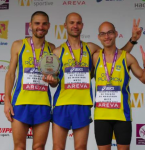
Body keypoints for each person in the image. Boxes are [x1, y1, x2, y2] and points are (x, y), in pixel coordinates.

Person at [43, 12, 141, 150]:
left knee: (81, 147)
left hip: (83, 105)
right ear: (65, 25)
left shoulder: (91, 48)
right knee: (58, 147)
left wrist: (132, 41)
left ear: (82, 25)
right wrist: (50, 80)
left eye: (78, 23)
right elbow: (54, 82)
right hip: (61, 104)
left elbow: (115, 57)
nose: (75, 26)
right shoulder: (58, 52)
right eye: (71, 23)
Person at [4, 11, 55, 150]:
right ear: (31, 25)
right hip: (20, 103)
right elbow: (10, 74)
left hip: (43, 104)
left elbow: (55, 81)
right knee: (19, 147)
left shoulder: (52, 48)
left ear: (49, 26)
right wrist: (7, 102)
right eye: (37, 23)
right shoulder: (18, 45)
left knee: (39, 147)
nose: (41, 26)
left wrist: (52, 80)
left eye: (44, 23)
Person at [93, 21, 145, 150]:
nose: (107, 36)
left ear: (116, 34)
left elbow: (143, 79)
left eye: (110, 32)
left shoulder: (127, 58)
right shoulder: (95, 57)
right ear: (99, 37)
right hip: (101, 116)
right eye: (103, 34)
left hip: (122, 116)